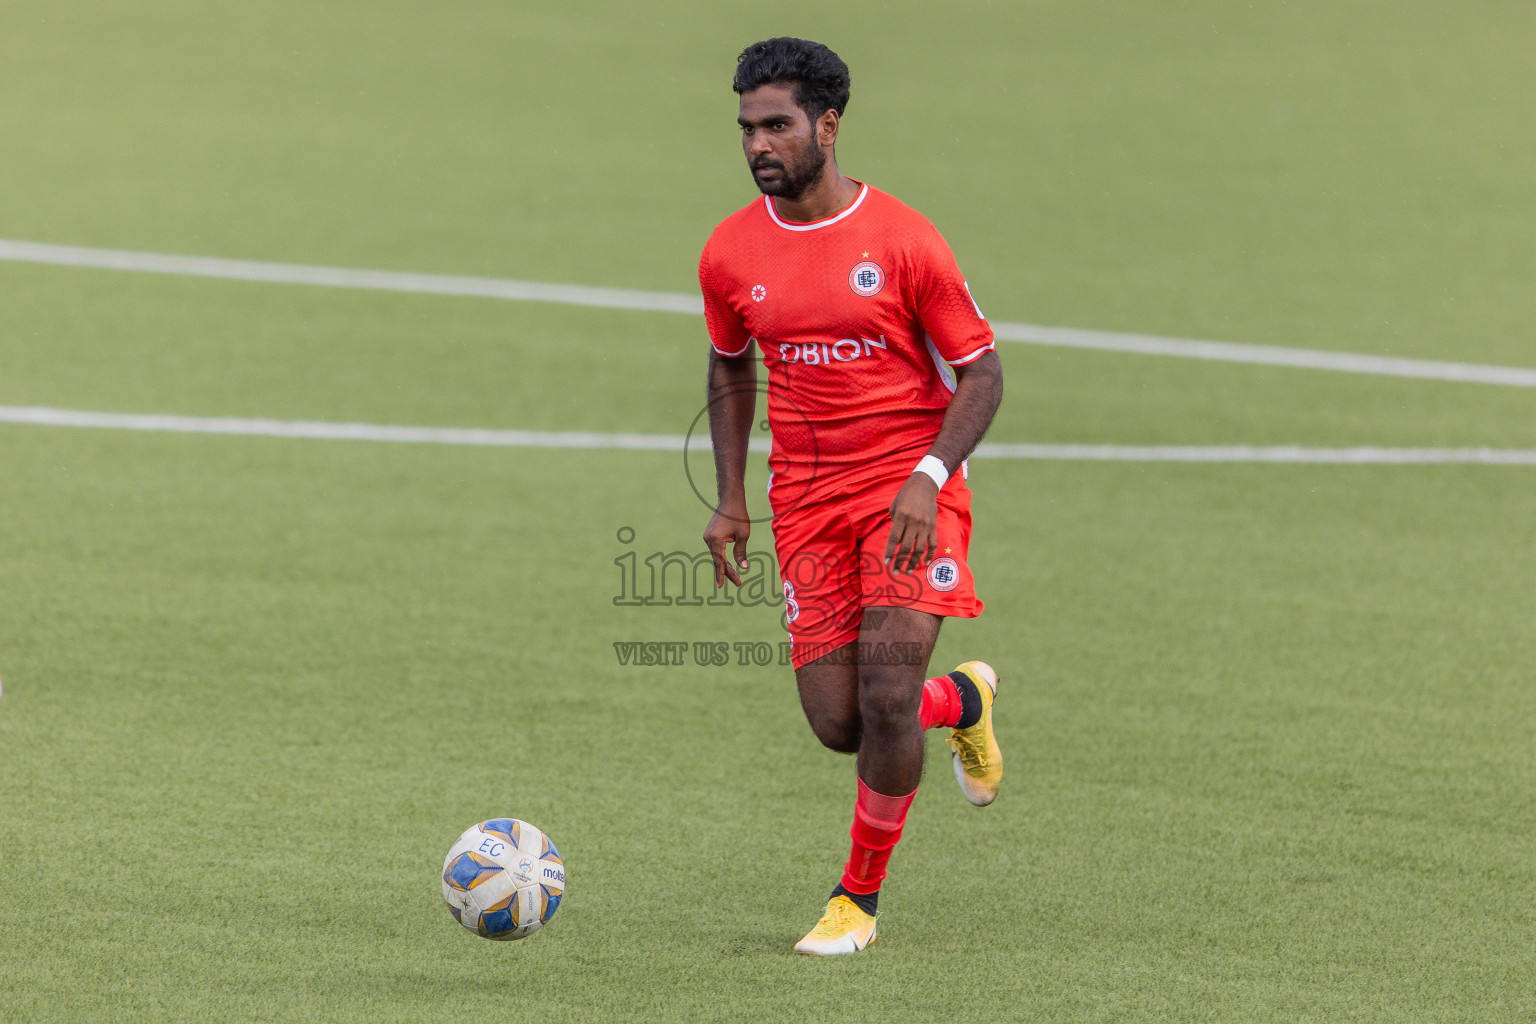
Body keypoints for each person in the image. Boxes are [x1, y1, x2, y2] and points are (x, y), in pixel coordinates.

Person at [699, 37, 1005, 956]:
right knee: (841, 724)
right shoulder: (729, 252)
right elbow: (727, 360)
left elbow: (983, 372)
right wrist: (730, 498)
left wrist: (929, 476)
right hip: (805, 502)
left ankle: (856, 900)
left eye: (778, 125)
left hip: (909, 493)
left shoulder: (905, 240)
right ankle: (963, 704)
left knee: (882, 693)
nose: (759, 144)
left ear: (827, 127)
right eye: (749, 127)